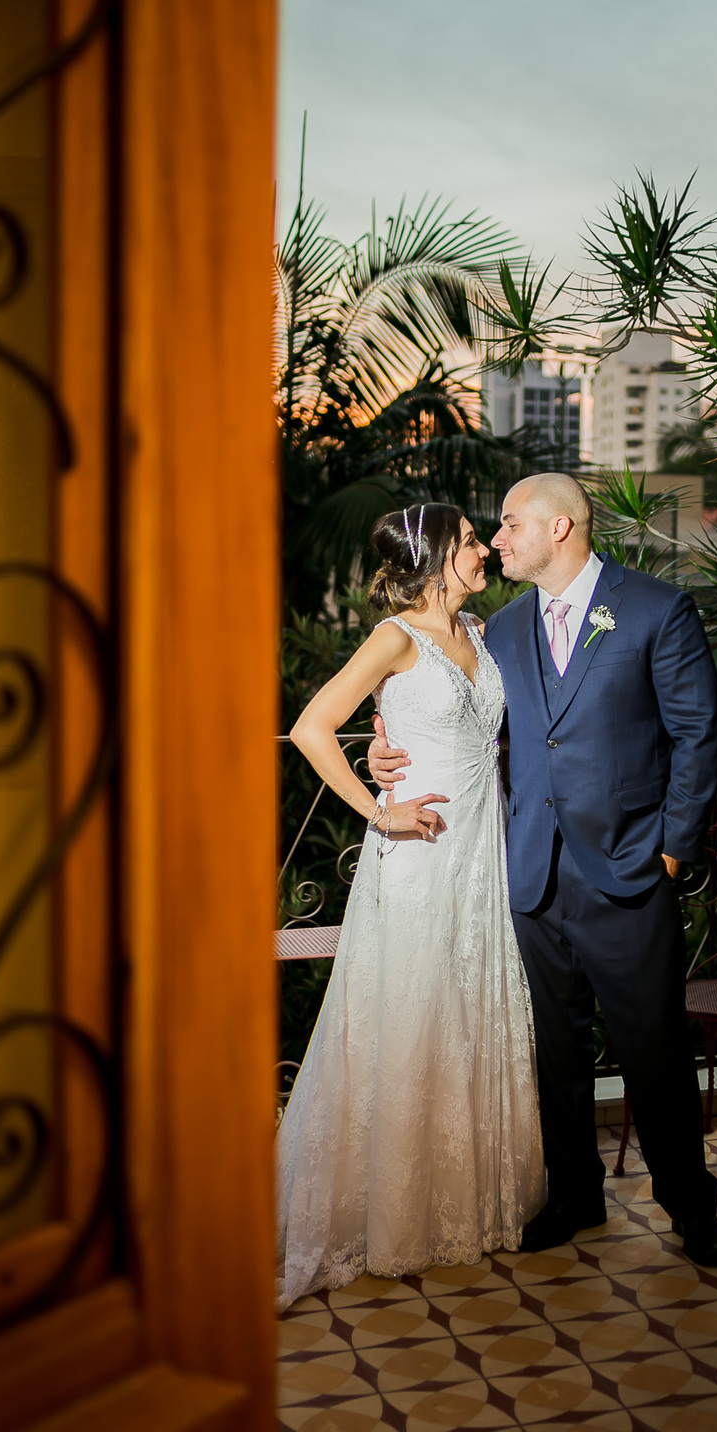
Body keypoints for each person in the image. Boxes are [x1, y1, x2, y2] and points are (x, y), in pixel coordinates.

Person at [371, 473, 717, 1267]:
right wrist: (383, 747)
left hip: (630, 870)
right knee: (553, 1051)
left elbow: (699, 732)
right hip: (528, 872)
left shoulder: (656, 609)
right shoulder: (498, 629)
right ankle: (574, 1195)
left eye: (508, 525)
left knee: (654, 1050)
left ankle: (689, 1205)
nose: (497, 540)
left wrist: (673, 847)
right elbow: (448, 707)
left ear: (559, 527)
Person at [275, 502, 544, 1308]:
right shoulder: (395, 637)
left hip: (484, 854)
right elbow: (312, 727)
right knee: (412, 1011)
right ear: (434, 558)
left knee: (467, 1009)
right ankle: (391, 1213)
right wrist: (378, 808)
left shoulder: (485, 634)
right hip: (420, 853)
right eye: (471, 542)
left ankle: (463, 1198)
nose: (484, 552)